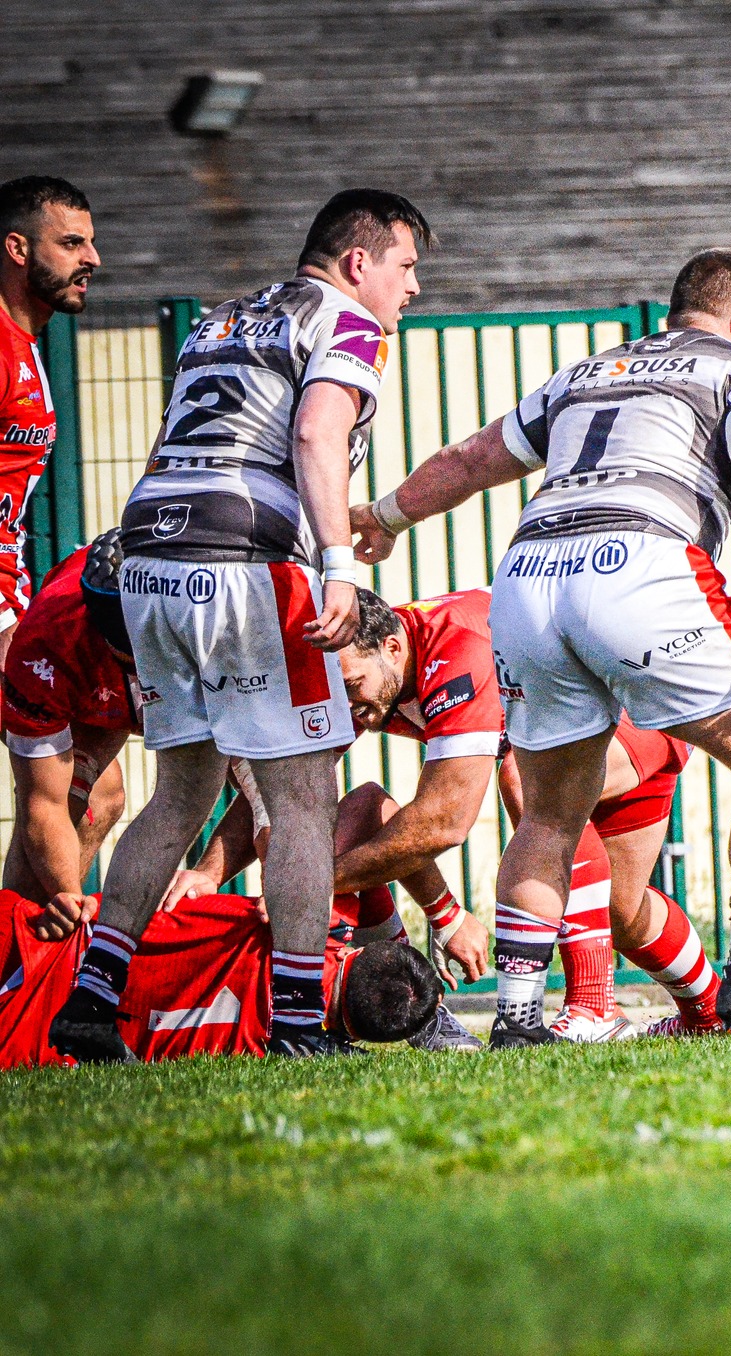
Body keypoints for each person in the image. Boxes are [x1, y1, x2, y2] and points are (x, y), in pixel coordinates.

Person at [350, 246, 731, 1043]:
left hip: (526, 578)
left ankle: (519, 1019)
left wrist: (385, 515)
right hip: (641, 564)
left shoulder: (588, 371)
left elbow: (474, 458)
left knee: (550, 814)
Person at [47, 189, 430, 1062]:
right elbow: (317, 433)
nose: (412, 291)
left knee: (181, 791)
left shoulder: (221, 320)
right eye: (407, 269)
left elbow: (177, 441)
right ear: (359, 261)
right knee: (302, 798)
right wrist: (335, 565)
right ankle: (297, 1023)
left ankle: (93, 996)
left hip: (147, 549)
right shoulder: (348, 323)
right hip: (244, 558)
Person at [331, 586, 723, 1040]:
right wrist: (223, 871)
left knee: (528, 778)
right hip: (603, 715)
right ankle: (713, 1014)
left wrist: (318, 886)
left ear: (392, 648)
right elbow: (285, 793)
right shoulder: (369, 666)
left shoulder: (453, 647)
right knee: (619, 910)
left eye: (351, 686)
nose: (345, 703)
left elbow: (442, 821)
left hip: (639, 700)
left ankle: (594, 1008)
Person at [0, 888, 438, 1069]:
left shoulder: (306, 926)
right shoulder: (288, 1052)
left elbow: (370, 805)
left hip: (42, 943)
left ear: (351, 948)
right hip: (26, 1042)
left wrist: (444, 917)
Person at [2, 531, 135, 910]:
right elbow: (43, 805)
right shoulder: (44, 646)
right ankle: (24, 953)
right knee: (85, 794)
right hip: (47, 652)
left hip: (190, 659)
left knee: (267, 794)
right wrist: (69, 900)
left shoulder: (227, 632)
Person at [0, 176, 98, 668]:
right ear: (17, 248)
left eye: (90, 242)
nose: (92, 259)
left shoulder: (28, 341)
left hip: (13, 596)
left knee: (77, 742)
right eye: (71, 243)